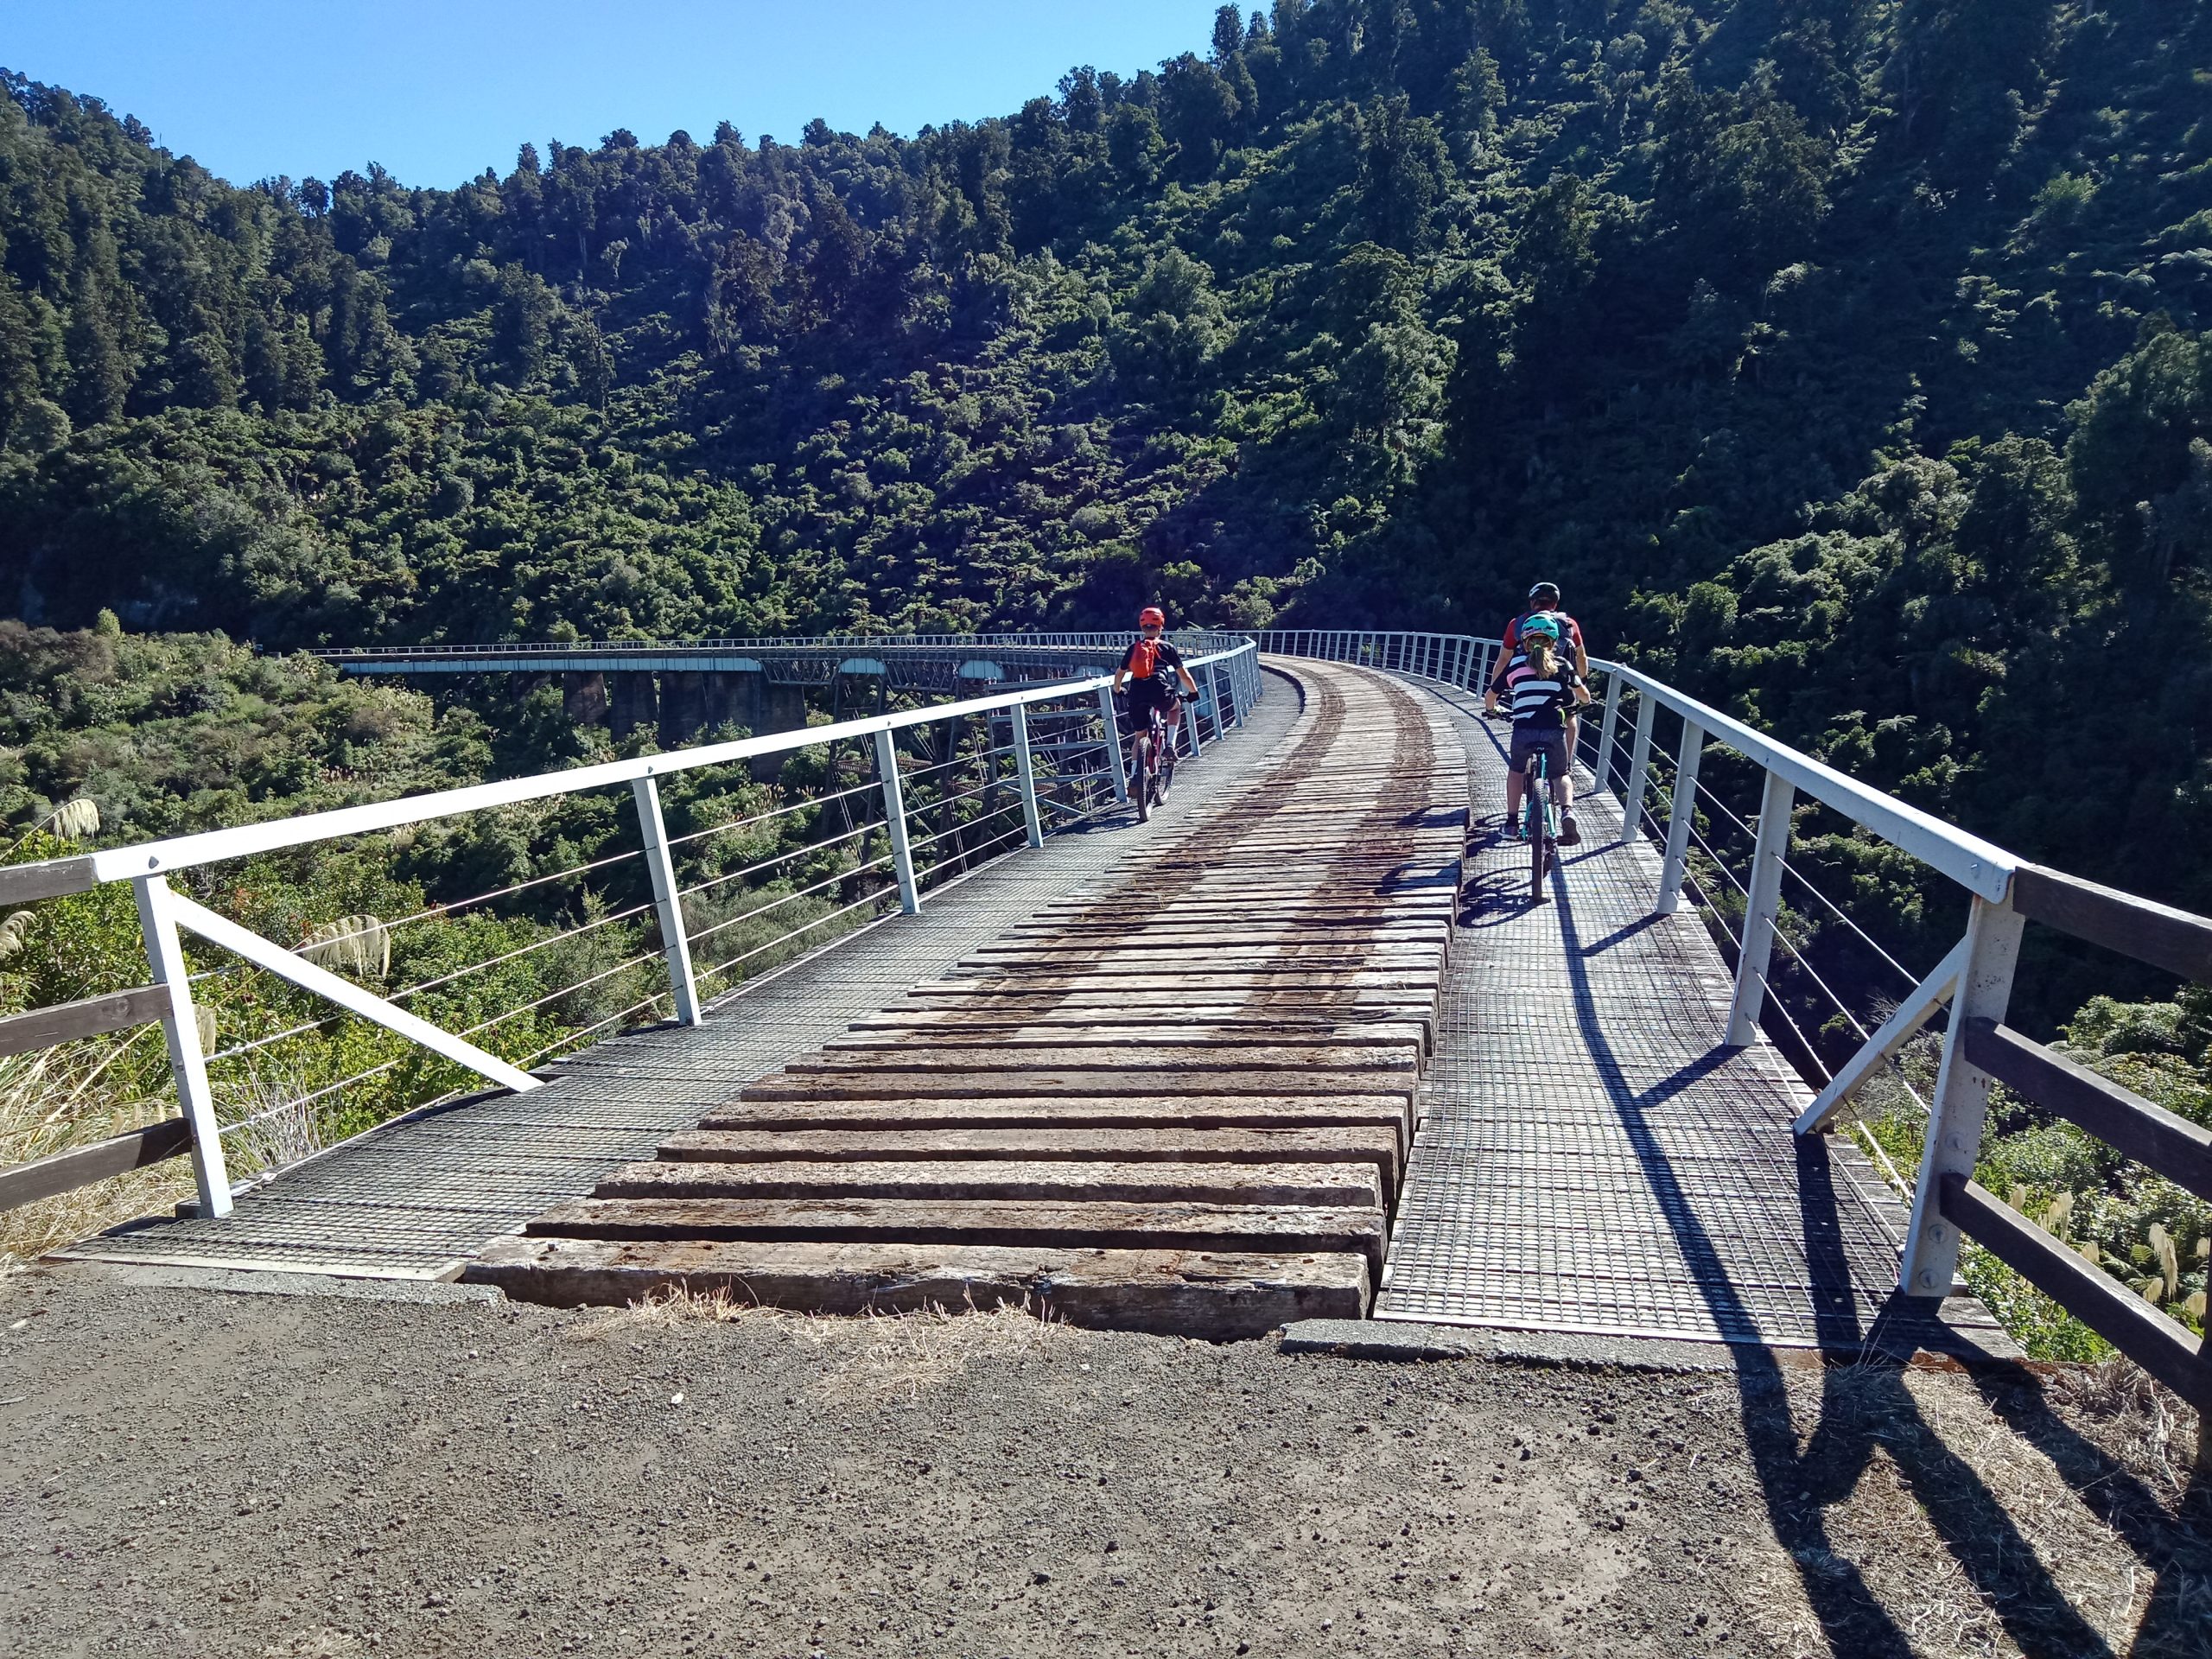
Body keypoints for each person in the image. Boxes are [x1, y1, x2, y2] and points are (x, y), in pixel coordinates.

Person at [1484, 613, 1592, 845]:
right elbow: (1583, 694)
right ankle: (1567, 813)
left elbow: (1491, 694)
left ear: (1524, 642)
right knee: (1560, 774)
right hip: (1554, 729)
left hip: (1523, 730)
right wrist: (1585, 703)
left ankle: (1512, 823)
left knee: (1516, 770)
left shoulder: (1515, 664)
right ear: (1554, 642)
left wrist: (1492, 710)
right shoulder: (1562, 665)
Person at [1112, 606, 1201, 754]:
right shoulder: (1167, 647)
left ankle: (1136, 773)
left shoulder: (1133, 648)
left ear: (1142, 628)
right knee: (1175, 707)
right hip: (1159, 689)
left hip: (1136, 691)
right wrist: (1193, 692)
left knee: (1139, 736)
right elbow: (1183, 675)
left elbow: (1119, 674)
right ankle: (1170, 745)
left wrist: (1118, 690)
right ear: (1161, 627)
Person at [1503, 582, 1589, 679]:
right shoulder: (1569, 624)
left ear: (1532, 602)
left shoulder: (1517, 624)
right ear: (1555, 604)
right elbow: (1581, 657)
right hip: (1561, 684)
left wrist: (1495, 686)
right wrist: (1583, 682)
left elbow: (1504, 659)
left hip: (1523, 682)